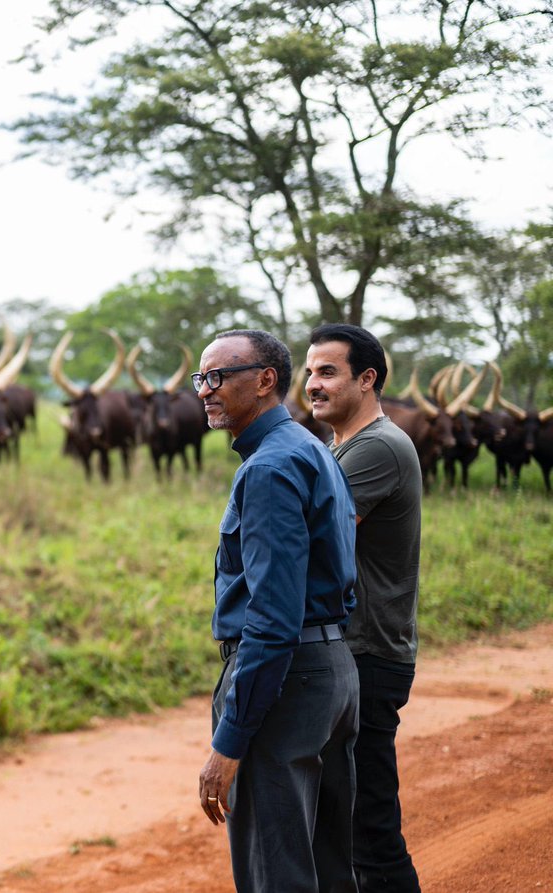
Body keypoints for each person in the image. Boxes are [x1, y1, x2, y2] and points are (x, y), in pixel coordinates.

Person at [195, 329, 360, 893]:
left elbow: (271, 620)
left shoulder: (268, 468)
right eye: (201, 378)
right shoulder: (313, 448)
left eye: (218, 377)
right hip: (331, 670)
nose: (205, 391)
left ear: (265, 380)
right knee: (329, 863)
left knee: (277, 872)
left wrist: (230, 740)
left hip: (285, 686)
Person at [306, 323, 424, 892]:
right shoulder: (343, 446)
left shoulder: (376, 446)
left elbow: (315, 539)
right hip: (358, 651)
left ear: (367, 379)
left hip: (368, 654)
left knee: (371, 833)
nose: (313, 384)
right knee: (348, 828)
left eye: (327, 371)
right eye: (309, 372)